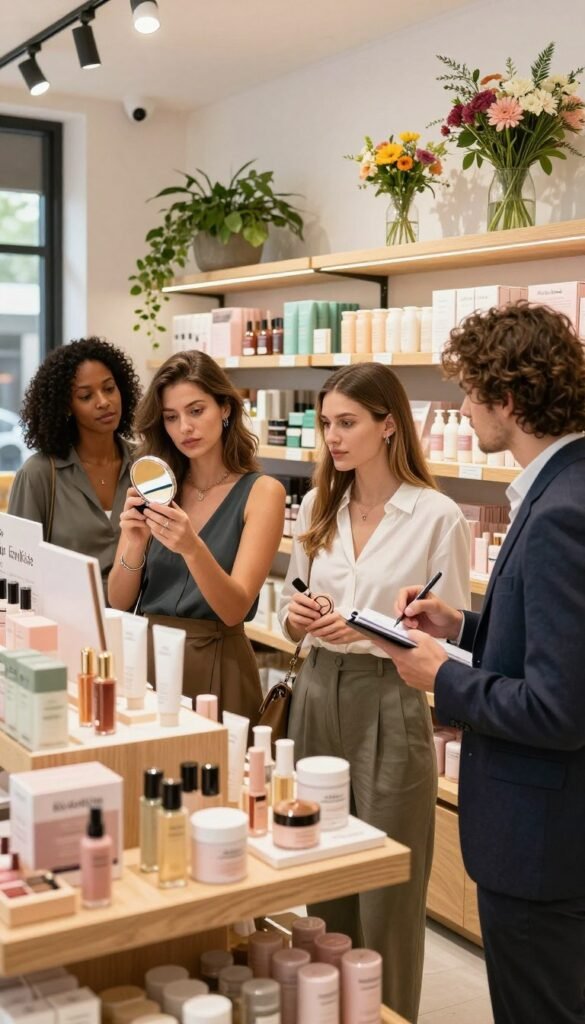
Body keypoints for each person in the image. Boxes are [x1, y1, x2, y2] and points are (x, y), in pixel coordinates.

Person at [375, 303, 585, 1024]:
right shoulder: (564, 488)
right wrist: (462, 626)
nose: (461, 409)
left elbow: (559, 709)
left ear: (509, 397)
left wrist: (443, 676)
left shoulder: (560, 511)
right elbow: (557, 644)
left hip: (541, 847)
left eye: (469, 391)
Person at [277, 363, 470, 1021]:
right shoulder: (316, 506)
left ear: (388, 425)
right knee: (322, 867)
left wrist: (365, 633)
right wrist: (297, 615)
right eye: (327, 422)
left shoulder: (435, 515)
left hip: (388, 697)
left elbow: (446, 640)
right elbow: (292, 598)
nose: (331, 436)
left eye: (347, 422)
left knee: (387, 882)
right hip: (316, 693)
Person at [108, 349, 285, 723]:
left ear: (224, 408)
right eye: (171, 417)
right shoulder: (155, 485)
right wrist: (136, 543)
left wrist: (192, 547)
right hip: (151, 659)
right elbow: (119, 600)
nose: (184, 428)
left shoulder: (262, 492)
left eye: (196, 410)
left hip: (219, 663)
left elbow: (234, 608)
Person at [8, 337, 141, 592]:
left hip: (140, 623)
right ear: (66, 407)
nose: (103, 401)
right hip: (66, 623)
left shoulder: (146, 464)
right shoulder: (39, 474)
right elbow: (18, 570)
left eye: (109, 388)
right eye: (86, 396)